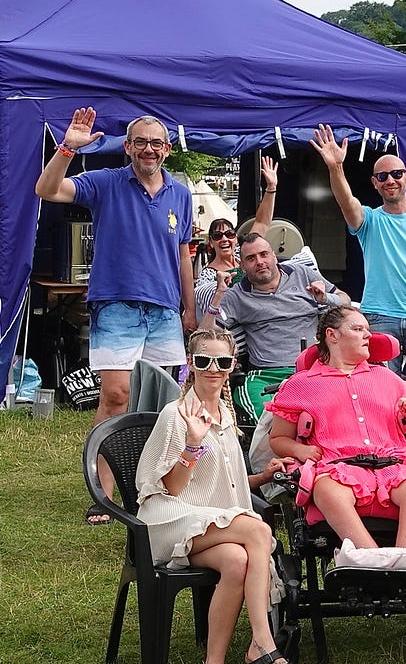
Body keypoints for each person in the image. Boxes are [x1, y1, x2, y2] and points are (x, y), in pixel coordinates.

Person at [36, 108, 195, 525]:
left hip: (164, 309)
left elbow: (183, 254)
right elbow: (47, 189)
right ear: (128, 147)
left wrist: (190, 307)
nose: (148, 149)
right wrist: (69, 146)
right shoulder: (106, 182)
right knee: (117, 397)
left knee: (164, 404)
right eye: (140, 141)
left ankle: (153, 486)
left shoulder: (180, 193)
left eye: (156, 143)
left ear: (167, 149)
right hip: (116, 304)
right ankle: (102, 492)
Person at [135, 328, 305, 664]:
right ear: (190, 365)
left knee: (237, 561)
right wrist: (193, 444)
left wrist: (264, 475)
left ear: (232, 367)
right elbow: (173, 488)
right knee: (258, 532)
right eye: (203, 361)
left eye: (222, 362)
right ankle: (262, 639)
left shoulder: (226, 413)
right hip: (169, 518)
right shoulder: (175, 415)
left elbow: (226, 483)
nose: (213, 368)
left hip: (209, 521)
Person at [312, 126, 406, 496]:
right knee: (381, 400)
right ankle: (388, 471)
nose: (391, 180)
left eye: (396, 174)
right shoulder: (369, 221)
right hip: (379, 318)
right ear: (376, 185)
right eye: (383, 177)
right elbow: (347, 202)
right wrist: (335, 169)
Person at [267, 306, 406, 565]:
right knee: (328, 490)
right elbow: (277, 439)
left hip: (393, 468)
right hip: (337, 469)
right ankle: (371, 559)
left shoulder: (389, 378)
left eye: (368, 330)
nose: (368, 336)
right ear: (332, 335)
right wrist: (300, 451)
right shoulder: (301, 384)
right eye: (358, 329)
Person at [201, 231, 350, 422]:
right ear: (243, 267)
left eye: (264, 254)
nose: (260, 261)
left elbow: (345, 300)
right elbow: (204, 335)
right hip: (266, 375)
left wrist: (325, 298)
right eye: (251, 258)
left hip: (314, 369)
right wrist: (219, 294)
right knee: (269, 425)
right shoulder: (236, 296)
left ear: (274, 255)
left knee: (331, 419)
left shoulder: (302, 273)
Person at [194, 157, 279, 327]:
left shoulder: (247, 254)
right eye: (218, 236)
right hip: (234, 323)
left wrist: (271, 189)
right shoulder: (208, 275)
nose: (224, 238)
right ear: (211, 243)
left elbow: (262, 223)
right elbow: (205, 305)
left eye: (229, 234)